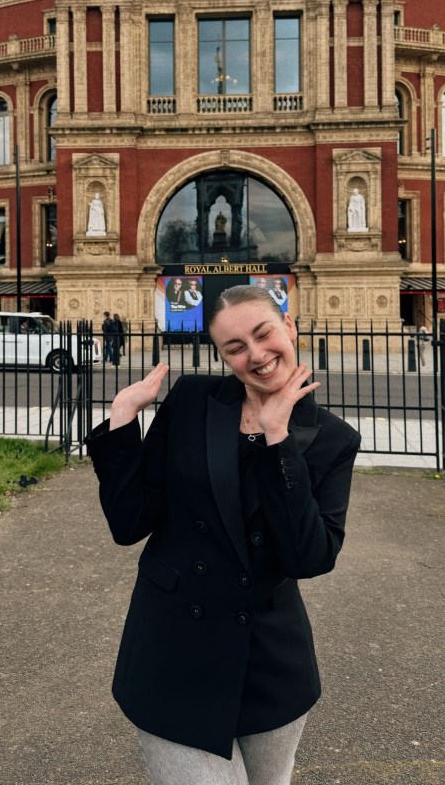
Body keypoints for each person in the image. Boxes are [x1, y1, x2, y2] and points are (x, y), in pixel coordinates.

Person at [85, 284, 361, 784]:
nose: (255, 355)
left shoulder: (333, 439)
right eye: (234, 347)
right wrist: (123, 421)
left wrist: (278, 444)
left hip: (269, 662)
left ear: (289, 328)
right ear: (221, 355)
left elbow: (311, 557)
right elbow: (130, 523)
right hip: (173, 652)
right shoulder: (193, 399)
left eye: (263, 334)